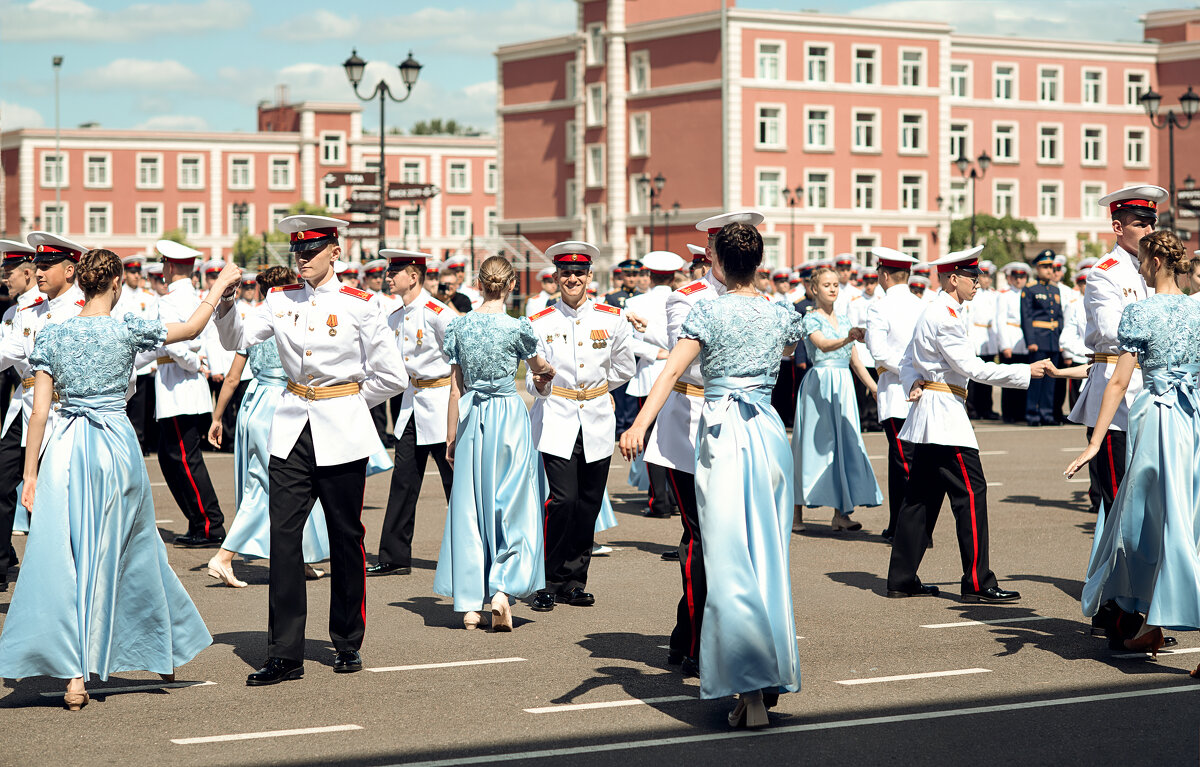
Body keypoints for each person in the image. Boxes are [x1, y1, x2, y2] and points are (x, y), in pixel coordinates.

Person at [0, 248, 235, 710]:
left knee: (65, 556)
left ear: (82, 284)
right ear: (116, 285)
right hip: (114, 447)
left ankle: (74, 677)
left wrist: (29, 474)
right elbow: (190, 329)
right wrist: (219, 284)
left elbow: (40, 413)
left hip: (66, 449)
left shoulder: (54, 333)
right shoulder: (127, 327)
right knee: (130, 548)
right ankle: (156, 648)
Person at [212, 215, 408, 686]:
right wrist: (223, 305)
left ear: (334, 251)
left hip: (341, 429)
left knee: (345, 537)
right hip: (291, 427)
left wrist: (350, 402)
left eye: (312, 250)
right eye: (297, 252)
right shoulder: (279, 299)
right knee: (284, 539)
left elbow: (392, 376)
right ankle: (285, 653)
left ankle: (346, 640)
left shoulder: (361, 305)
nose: (302, 258)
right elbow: (237, 339)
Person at [620, 221, 801, 730]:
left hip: (722, 434)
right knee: (768, 558)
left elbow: (672, 371)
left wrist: (638, 424)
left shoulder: (707, 309)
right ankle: (766, 679)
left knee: (726, 560)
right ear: (759, 263)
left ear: (717, 263)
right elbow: (789, 352)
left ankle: (748, 683)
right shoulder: (778, 312)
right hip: (766, 432)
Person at [1063, 230, 1200, 663]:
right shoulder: (1198, 311)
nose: (1139, 268)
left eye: (1142, 261)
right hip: (1192, 420)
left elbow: (1119, 382)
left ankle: (1150, 616)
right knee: (1181, 519)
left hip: (1158, 422)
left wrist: (1095, 441)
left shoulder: (1140, 311)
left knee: (1151, 524)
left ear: (1155, 263)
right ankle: (1152, 625)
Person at [886, 247, 1049, 603]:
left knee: (920, 499)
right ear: (952, 278)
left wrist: (914, 380)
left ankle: (901, 577)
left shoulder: (942, 310)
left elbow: (908, 356)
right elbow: (973, 368)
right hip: (944, 415)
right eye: (972, 277)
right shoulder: (943, 314)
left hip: (937, 411)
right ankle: (977, 580)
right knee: (972, 493)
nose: (979, 283)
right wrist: (1026, 371)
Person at [643, 212, 764, 676]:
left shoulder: (756, 300)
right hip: (689, 424)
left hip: (735, 424)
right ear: (711, 253)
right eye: (720, 249)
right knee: (699, 536)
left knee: (727, 536)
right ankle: (694, 642)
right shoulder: (685, 297)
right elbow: (685, 364)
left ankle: (684, 632)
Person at [433, 256, 554, 630]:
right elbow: (540, 376)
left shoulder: (460, 326)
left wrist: (451, 436)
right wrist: (546, 375)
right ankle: (503, 589)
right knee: (514, 505)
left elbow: (455, 389)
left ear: (480, 284)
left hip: (473, 419)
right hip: (509, 417)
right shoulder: (519, 328)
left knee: (470, 507)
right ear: (512, 285)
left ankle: (470, 603)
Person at [205, 265, 329, 588]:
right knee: (268, 486)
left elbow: (233, 378)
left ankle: (296, 557)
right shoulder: (294, 318)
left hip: (254, 402)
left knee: (281, 485)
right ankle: (224, 556)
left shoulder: (256, 319)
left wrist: (218, 417)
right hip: (281, 404)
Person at [528, 241, 634, 612]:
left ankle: (574, 580)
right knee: (562, 501)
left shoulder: (611, 318)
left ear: (590, 277)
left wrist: (601, 390)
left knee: (588, 504)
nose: (572, 278)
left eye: (578, 273)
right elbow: (531, 377)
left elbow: (624, 368)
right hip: (556, 415)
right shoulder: (540, 322)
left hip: (597, 420)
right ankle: (546, 578)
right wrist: (541, 384)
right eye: (565, 273)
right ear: (556, 277)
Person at [1067, 186, 1167, 522]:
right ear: (1118, 228)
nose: (1149, 231)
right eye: (1140, 224)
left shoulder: (1158, 268)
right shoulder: (1104, 272)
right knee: (1119, 497)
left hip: (1153, 387)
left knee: (1154, 495)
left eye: (1152, 224)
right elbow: (1112, 331)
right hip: (1115, 389)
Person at [369, 249, 455, 577]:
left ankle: (468, 551)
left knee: (454, 483)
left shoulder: (438, 313)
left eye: (395, 272)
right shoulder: (395, 315)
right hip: (411, 403)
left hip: (441, 402)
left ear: (414, 276)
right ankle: (394, 556)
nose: (388, 277)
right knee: (403, 480)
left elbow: (461, 361)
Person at [0, 232, 87, 545]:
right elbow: (4, 354)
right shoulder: (29, 312)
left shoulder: (84, 309)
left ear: (69, 270)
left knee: (73, 511)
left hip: (72, 423)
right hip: (34, 424)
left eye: (47, 264)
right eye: (37, 263)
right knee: (38, 510)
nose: (38, 271)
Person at [792, 266, 881, 531]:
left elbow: (855, 362)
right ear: (814, 289)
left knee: (843, 448)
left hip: (843, 387)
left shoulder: (844, 320)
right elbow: (822, 345)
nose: (832, 288)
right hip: (819, 386)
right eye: (827, 284)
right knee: (809, 447)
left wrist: (875, 388)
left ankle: (840, 514)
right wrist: (847, 338)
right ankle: (796, 515)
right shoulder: (810, 318)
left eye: (835, 285)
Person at [154, 240, 225, 547]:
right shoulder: (196, 297)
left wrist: (195, 362)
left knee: (183, 458)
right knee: (175, 458)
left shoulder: (168, 301)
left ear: (170, 267)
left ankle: (210, 523)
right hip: (184, 384)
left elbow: (171, 341)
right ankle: (199, 521)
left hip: (178, 383)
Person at [864, 248, 923, 541]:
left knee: (904, 463)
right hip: (922, 392)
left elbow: (878, 352)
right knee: (908, 461)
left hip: (897, 393)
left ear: (884, 275)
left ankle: (910, 528)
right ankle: (897, 522)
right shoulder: (922, 304)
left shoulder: (879, 307)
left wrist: (906, 371)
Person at [624, 251, 685, 519]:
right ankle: (673, 498)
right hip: (676, 375)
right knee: (673, 437)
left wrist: (653, 353)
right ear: (673, 276)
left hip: (650, 374)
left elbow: (627, 341)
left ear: (648, 274)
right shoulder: (682, 298)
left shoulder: (636, 301)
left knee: (650, 440)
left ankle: (659, 500)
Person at [0, 240, 42, 586]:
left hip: (49, 407)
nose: (5, 279)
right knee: (2, 479)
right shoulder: (11, 314)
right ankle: (3, 558)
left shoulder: (48, 308)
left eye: (9, 272)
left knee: (45, 489)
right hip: (21, 405)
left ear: (27, 272)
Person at [117, 254, 159, 454]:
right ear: (126, 274)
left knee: (142, 409)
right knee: (124, 407)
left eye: (138, 272)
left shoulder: (148, 298)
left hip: (142, 360)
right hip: (124, 358)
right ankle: (125, 444)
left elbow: (151, 328)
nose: (136, 276)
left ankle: (140, 443)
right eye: (132, 272)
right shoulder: (118, 295)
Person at [1021, 250, 1064, 427]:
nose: (1049, 270)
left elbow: (1059, 316)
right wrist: (1030, 341)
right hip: (1038, 340)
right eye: (1045, 267)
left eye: (1050, 267)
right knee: (1036, 379)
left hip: (1053, 340)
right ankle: (1032, 413)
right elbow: (1026, 316)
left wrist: (1060, 340)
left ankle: (1047, 414)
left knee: (1050, 380)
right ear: (1037, 268)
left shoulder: (1055, 289)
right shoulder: (1030, 289)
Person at [965, 260, 1000, 420]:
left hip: (989, 336)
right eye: (984, 276)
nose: (987, 280)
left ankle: (986, 408)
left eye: (989, 276)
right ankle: (972, 408)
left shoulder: (994, 295)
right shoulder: (973, 294)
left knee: (988, 374)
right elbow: (969, 318)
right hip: (976, 335)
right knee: (973, 377)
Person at [998, 261, 1030, 423]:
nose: (1019, 280)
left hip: (1024, 339)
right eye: (1016, 277)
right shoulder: (1004, 295)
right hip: (1011, 336)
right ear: (1010, 278)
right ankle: (1009, 413)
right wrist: (1005, 345)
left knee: (1024, 377)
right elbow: (1000, 321)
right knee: (1010, 378)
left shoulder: (1028, 294)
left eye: (1022, 277)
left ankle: (1021, 412)